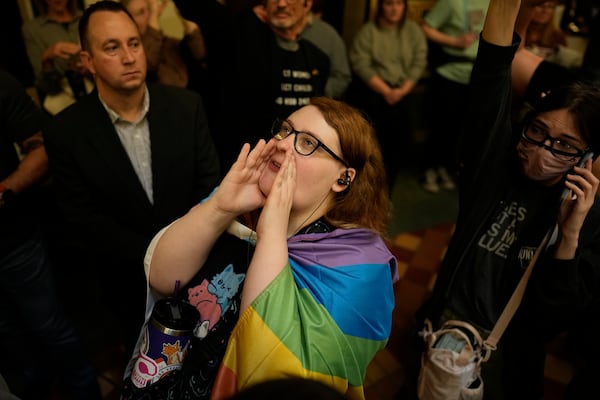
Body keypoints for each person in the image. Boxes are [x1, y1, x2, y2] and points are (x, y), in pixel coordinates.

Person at [123, 96, 398, 399]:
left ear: (343, 179)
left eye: (307, 143)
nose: (282, 144)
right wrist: (220, 207)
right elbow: (163, 278)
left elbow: (276, 373)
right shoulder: (242, 204)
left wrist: (272, 234)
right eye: (284, 131)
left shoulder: (360, 267)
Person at [412, 1, 600, 399]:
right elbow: (492, 69)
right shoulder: (495, 170)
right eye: (537, 131)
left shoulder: (581, 211)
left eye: (564, 145)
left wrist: (568, 236)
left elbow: (556, 317)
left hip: (504, 366)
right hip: (442, 333)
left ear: (585, 157)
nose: (543, 150)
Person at [42, 0, 221, 361]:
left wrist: (182, 251)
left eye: (134, 43)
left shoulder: (187, 107)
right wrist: (153, 261)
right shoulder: (66, 132)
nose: (129, 57)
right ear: (88, 62)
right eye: (112, 47)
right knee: (142, 370)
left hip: (197, 274)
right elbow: (83, 220)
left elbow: (209, 188)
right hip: (125, 285)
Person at [0, 68, 101, 400]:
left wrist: (5, 189)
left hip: (13, 240)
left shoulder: (3, 83)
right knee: (8, 337)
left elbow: (42, 149)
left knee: (49, 327)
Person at [173, 0, 331, 173]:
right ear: (264, 6)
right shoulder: (241, 39)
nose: (282, 4)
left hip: (297, 165)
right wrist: (248, 15)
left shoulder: (318, 58)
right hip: (247, 164)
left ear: (306, 5)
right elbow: (198, 8)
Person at [348, 0, 428, 190]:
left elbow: (419, 60)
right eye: (389, 4)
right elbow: (360, 63)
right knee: (369, 148)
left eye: (399, 4)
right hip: (375, 93)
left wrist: (402, 90)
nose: (394, 9)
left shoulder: (413, 31)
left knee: (397, 148)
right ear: (381, 7)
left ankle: (387, 191)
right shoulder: (369, 31)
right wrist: (386, 91)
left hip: (403, 93)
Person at [419, 0, 490, 193]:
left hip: (476, 74)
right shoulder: (452, 1)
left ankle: (445, 168)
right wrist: (454, 42)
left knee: (459, 128)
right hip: (449, 71)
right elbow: (426, 27)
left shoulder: (492, 3)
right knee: (440, 124)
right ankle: (429, 169)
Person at [22, 0, 94, 115]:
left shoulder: (88, 18)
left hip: (97, 90)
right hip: (64, 101)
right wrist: (47, 58)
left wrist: (90, 68)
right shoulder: (32, 29)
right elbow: (46, 86)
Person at [120, 0, 207, 91]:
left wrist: (185, 17)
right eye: (141, 12)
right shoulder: (129, 51)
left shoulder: (168, 43)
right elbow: (148, 64)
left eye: (150, 10)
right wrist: (153, 16)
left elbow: (200, 55)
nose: (150, 15)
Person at [525, 0, 583, 68]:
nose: (545, 11)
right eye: (541, 6)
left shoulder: (557, 35)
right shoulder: (519, 32)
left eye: (550, 7)